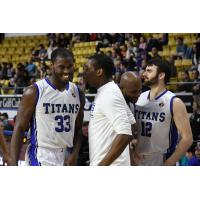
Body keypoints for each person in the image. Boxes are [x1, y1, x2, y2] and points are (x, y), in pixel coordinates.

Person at [11, 48, 85, 166]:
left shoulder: (78, 92)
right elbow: (19, 128)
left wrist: (75, 153)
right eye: (62, 67)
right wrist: (13, 164)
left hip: (66, 154)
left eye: (70, 66)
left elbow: (78, 128)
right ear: (52, 66)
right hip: (41, 154)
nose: (67, 71)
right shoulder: (35, 91)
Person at [135, 58, 193, 166]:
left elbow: (188, 138)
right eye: (145, 70)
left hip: (161, 160)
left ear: (161, 75)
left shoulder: (174, 102)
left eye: (149, 71)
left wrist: (169, 163)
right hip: (137, 160)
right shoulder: (140, 97)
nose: (144, 74)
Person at [83, 54, 135, 166]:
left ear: (99, 72)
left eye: (87, 69)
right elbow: (132, 124)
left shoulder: (109, 94)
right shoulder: (109, 90)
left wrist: (102, 166)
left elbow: (125, 133)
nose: (84, 73)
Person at [119, 71, 142, 165]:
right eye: (133, 92)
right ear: (122, 89)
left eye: (140, 90)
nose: (138, 94)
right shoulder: (115, 105)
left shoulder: (131, 104)